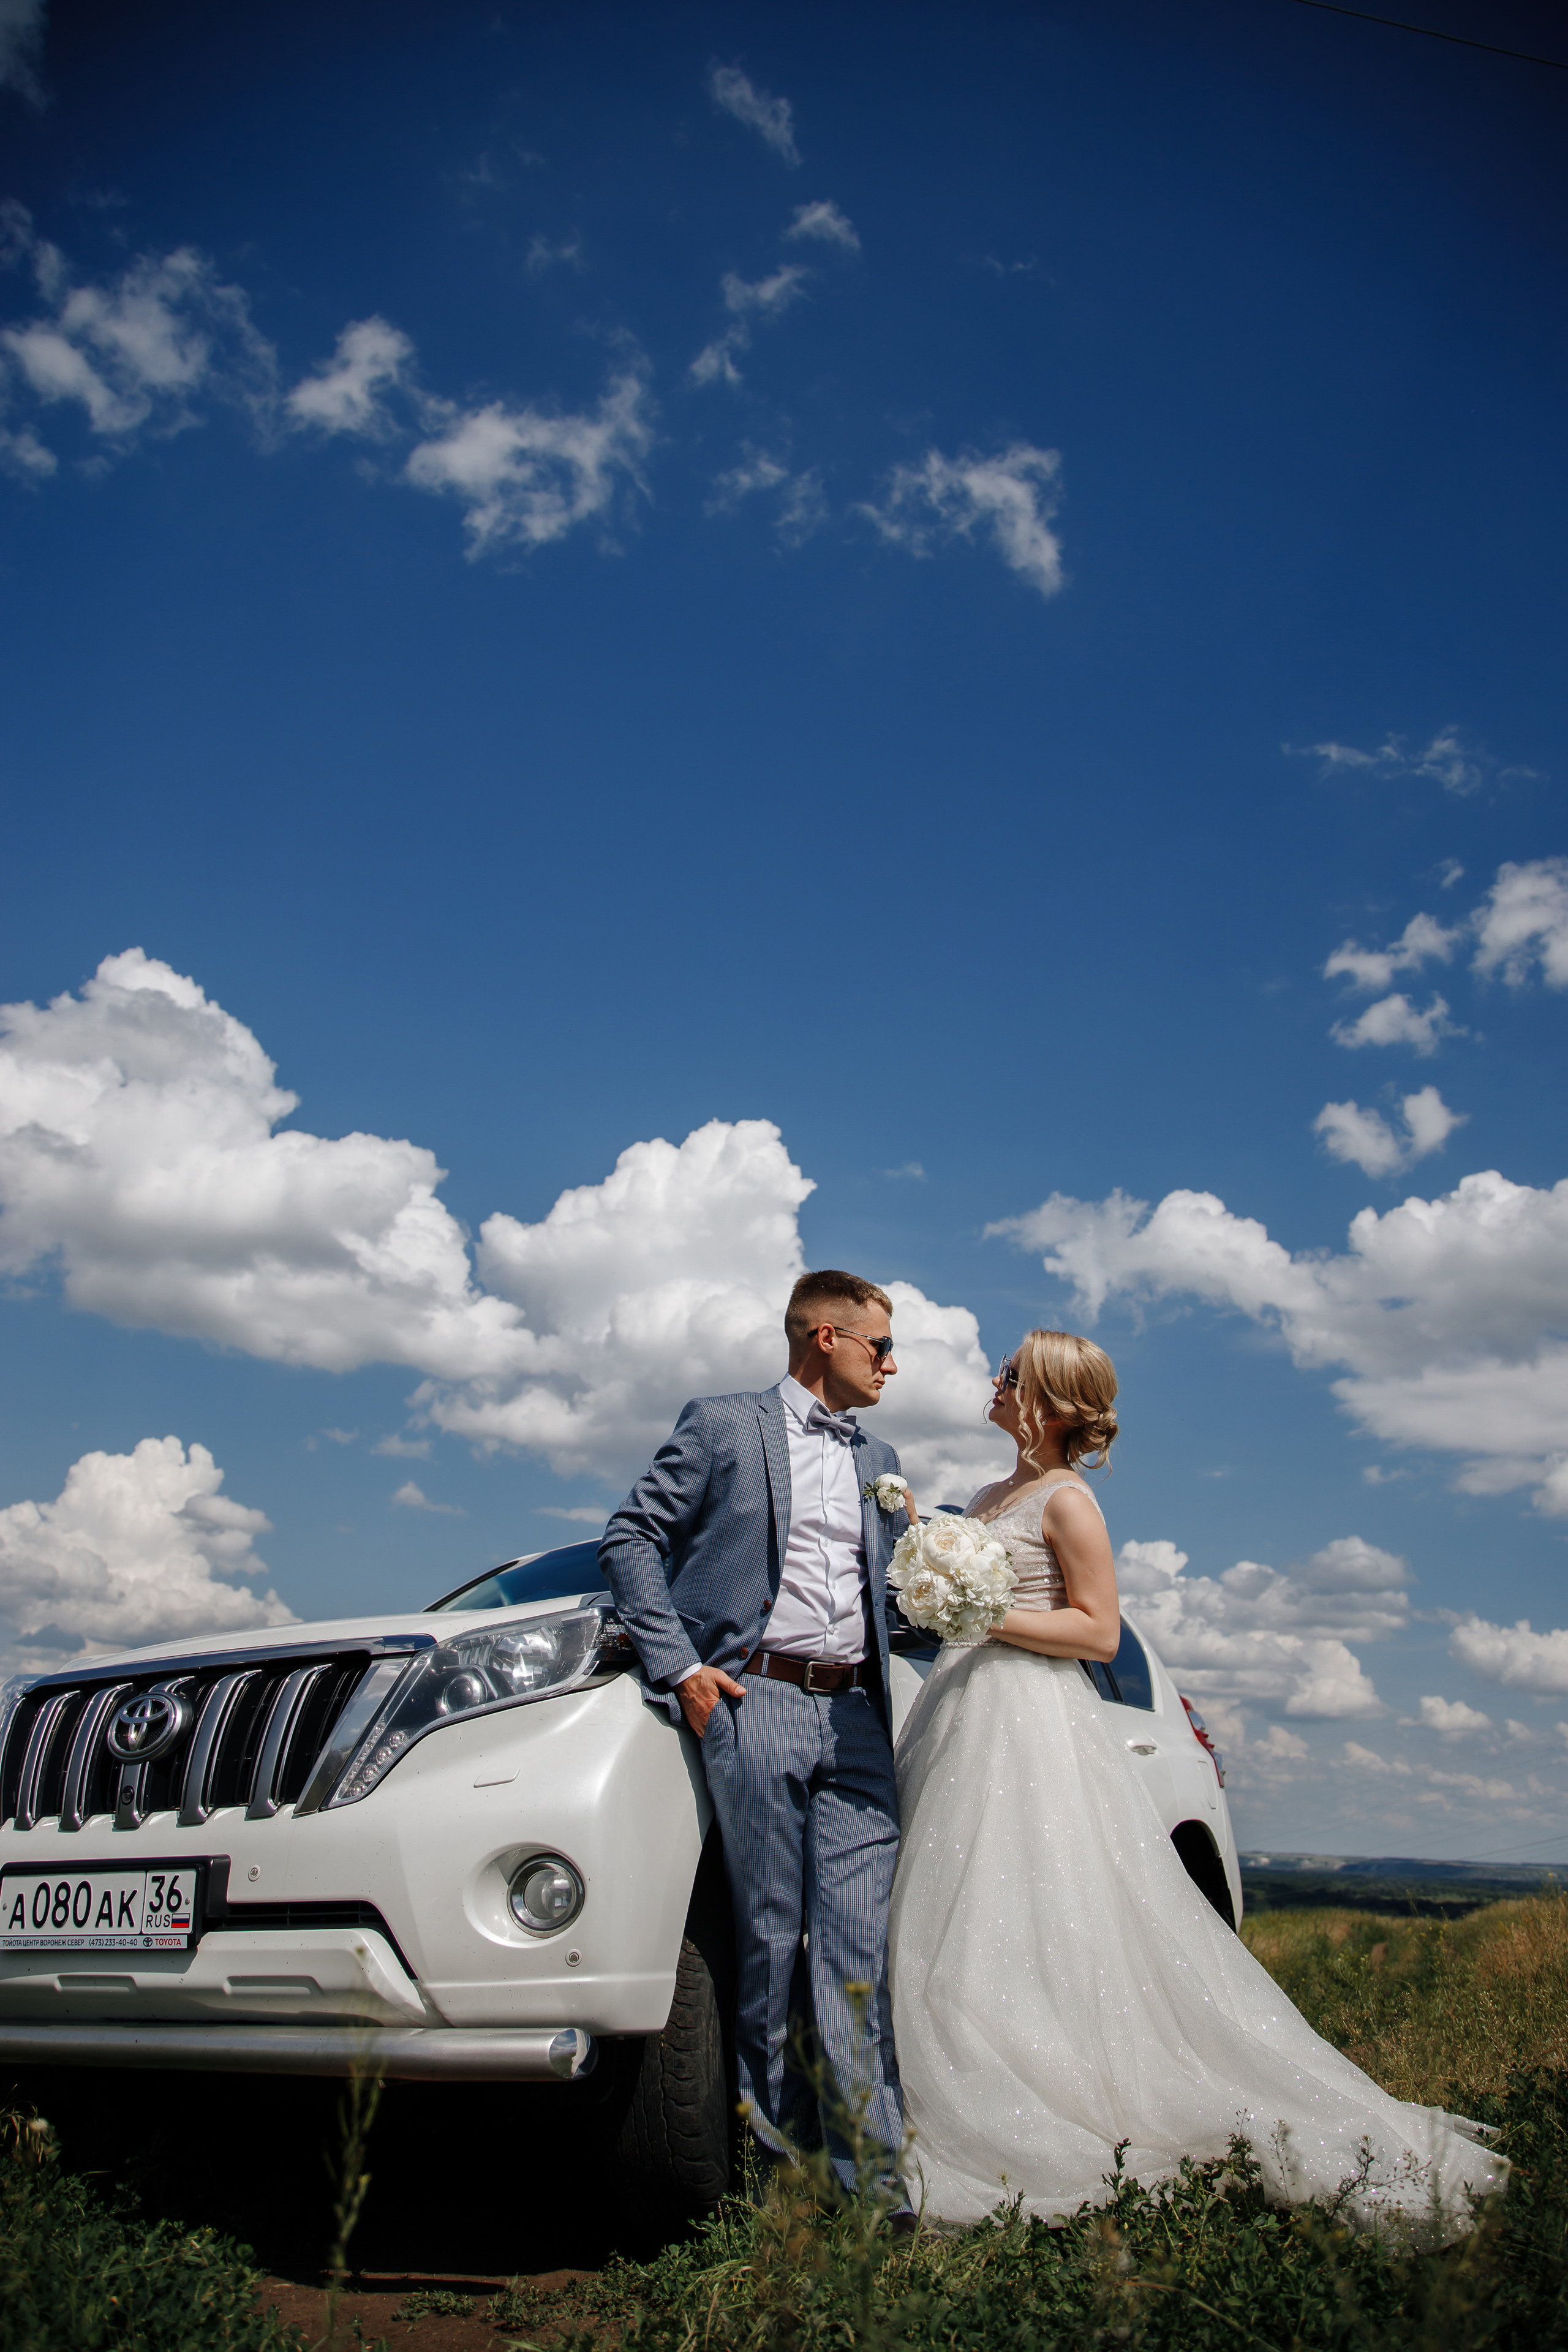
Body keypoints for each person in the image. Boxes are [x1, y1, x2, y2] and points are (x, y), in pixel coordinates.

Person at [888, 1328, 1506, 2234]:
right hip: (962, 1711)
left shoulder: (1069, 1504)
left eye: (1011, 1373)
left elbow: (1099, 1634)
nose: (995, 1379)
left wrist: (987, 1613)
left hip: (1031, 1721)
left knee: (1037, 1903)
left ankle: (1054, 2098)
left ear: (1050, 1403)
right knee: (955, 1908)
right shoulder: (989, 1495)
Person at [600, 1270, 915, 2208]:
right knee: (770, 1943)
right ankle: (779, 2179)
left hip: (859, 1717)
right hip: (756, 1700)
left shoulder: (883, 1457)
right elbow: (629, 1539)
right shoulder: (724, 1423)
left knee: (859, 1949)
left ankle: (873, 2192)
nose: (891, 1365)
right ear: (825, 1337)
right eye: (880, 1347)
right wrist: (682, 1668)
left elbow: (891, 1593)